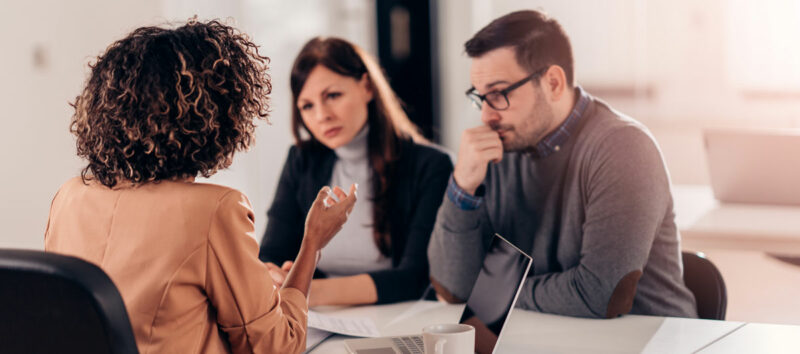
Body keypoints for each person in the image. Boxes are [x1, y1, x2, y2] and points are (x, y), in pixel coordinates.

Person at [44, 19, 357, 354]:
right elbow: (274, 347)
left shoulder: (69, 196)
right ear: (219, 115)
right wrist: (312, 244)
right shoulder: (213, 210)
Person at [427, 10, 697, 318]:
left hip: (651, 342)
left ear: (553, 83)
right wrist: (463, 187)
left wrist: (490, 292)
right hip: (547, 338)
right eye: (481, 97)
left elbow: (600, 296)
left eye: (499, 94)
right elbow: (452, 287)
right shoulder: (499, 149)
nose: (487, 115)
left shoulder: (623, 147)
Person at [259, 37, 452, 307]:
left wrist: (302, 289)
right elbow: (270, 253)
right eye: (307, 106)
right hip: (322, 319)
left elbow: (414, 278)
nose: (322, 115)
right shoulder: (302, 160)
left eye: (333, 96)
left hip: (395, 316)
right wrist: (274, 276)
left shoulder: (432, 165)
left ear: (367, 87)